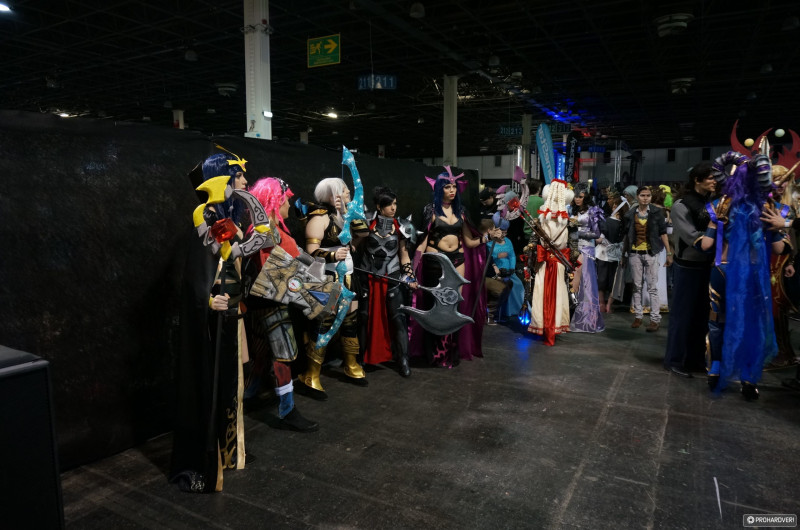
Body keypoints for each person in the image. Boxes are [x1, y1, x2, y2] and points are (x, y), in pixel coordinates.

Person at [170, 150, 250, 493]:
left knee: (231, 385)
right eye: (237, 176)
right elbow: (195, 279)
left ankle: (228, 452)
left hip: (231, 315)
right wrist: (207, 300)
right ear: (221, 181)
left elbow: (235, 262)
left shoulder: (227, 220)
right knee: (211, 385)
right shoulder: (205, 221)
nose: (244, 181)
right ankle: (205, 460)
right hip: (213, 321)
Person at [700, 152, 786, 399]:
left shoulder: (721, 204)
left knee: (718, 321)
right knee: (753, 323)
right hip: (754, 274)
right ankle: (749, 377)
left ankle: (716, 368)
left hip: (723, 270)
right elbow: (779, 248)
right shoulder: (769, 207)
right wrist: (783, 226)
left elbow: (706, 245)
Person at [243, 177, 318, 431]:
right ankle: (287, 410)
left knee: (263, 352)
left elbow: (300, 258)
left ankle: (249, 395)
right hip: (270, 302)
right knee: (283, 354)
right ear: (275, 201)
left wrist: (320, 268)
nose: (288, 205)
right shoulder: (265, 231)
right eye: (285, 200)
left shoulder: (265, 230)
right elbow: (272, 271)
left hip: (263, 301)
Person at [296, 177, 368, 400]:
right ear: (332, 194)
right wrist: (333, 255)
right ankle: (311, 374)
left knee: (350, 322)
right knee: (323, 325)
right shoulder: (319, 218)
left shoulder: (343, 216)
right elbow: (311, 251)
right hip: (327, 278)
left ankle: (351, 364)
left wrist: (346, 211)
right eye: (344, 190)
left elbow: (364, 232)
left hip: (349, 277)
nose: (348, 193)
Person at [414, 167, 486, 367]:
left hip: (458, 261)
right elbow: (421, 243)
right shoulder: (430, 210)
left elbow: (469, 241)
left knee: (453, 306)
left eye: (454, 186)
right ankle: (437, 353)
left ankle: (450, 352)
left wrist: (488, 238)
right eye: (447, 187)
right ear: (439, 189)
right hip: (435, 262)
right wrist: (411, 269)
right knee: (437, 305)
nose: (452, 190)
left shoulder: (461, 211)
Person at [357, 186, 417, 377]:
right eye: (389, 204)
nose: (393, 208)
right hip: (368, 277)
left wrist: (409, 275)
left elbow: (404, 255)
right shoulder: (367, 222)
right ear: (379, 206)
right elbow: (355, 246)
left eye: (395, 204)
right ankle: (359, 359)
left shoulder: (402, 227)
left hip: (391, 277)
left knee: (398, 319)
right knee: (363, 318)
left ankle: (403, 359)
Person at [663, 162, 715, 377]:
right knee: (682, 315)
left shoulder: (712, 201)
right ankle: (675, 359)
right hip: (688, 265)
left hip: (708, 265)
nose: (714, 181)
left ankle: (695, 359)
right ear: (697, 179)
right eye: (710, 177)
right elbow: (690, 236)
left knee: (702, 316)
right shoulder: (681, 205)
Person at [527, 178, 574, 345]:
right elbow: (571, 245)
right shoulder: (567, 221)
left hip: (548, 261)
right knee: (556, 293)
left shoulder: (542, 218)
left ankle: (544, 326)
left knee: (544, 293)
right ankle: (551, 326)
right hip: (554, 261)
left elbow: (533, 242)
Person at [621, 186, 672, 332]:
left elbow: (663, 233)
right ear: (637, 196)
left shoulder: (656, 213)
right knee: (637, 286)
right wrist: (623, 255)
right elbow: (627, 236)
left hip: (651, 252)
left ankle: (655, 319)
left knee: (652, 286)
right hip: (634, 253)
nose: (645, 198)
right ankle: (638, 315)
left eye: (648, 195)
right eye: (642, 195)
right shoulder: (630, 214)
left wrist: (669, 253)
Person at [568, 186, 605, 333]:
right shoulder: (571, 209)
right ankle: (570, 316)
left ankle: (588, 321)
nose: (577, 199)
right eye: (576, 196)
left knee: (587, 284)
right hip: (572, 250)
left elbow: (596, 234)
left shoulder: (593, 211)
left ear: (586, 197)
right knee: (573, 283)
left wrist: (578, 233)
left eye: (581, 197)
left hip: (586, 250)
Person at [486, 212, 524, 324]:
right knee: (503, 286)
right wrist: (497, 257)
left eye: (505, 232)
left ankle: (515, 311)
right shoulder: (489, 244)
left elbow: (512, 256)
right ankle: (501, 312)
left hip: (509, 272)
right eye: (501, 232)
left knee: (518, 285)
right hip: (497, 272)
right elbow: (489, 259)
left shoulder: (508, 241)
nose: (503, 235)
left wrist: (512, 268)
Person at [596, 190, 627, 312]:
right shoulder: (625, 224)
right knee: (615, 280)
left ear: (615, 207)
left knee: (601, 278)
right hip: (618, 254)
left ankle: (601, 303)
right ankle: (609, 304)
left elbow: (600, 239)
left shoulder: (606, 221)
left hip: (603, 253)